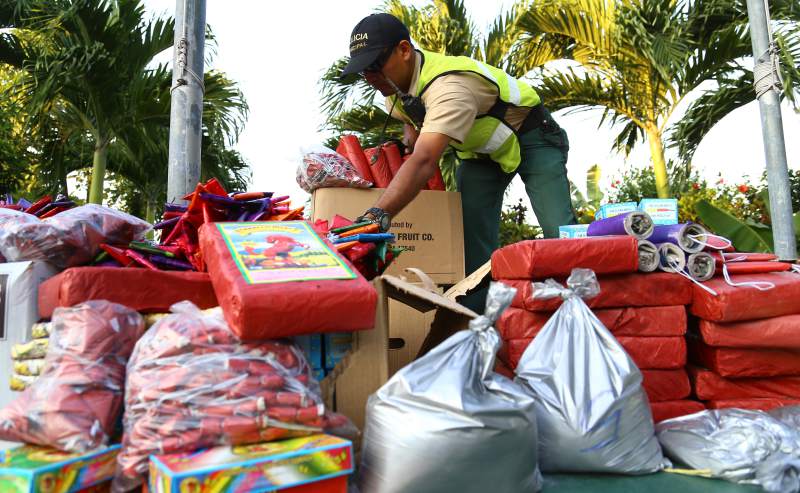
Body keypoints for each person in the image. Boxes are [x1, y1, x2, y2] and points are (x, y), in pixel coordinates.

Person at [343, 13, 576, 310]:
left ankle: (582, 306)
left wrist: (378, 214)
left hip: (533, 137)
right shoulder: (394, 91)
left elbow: (425, 159)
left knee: (559, 230)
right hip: (482, 155)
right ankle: (477, 323)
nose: (370, 77)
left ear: (404, 50)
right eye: (364, 71)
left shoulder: (449, 87)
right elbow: (412, 126)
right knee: (470, 245)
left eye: (375, 65)